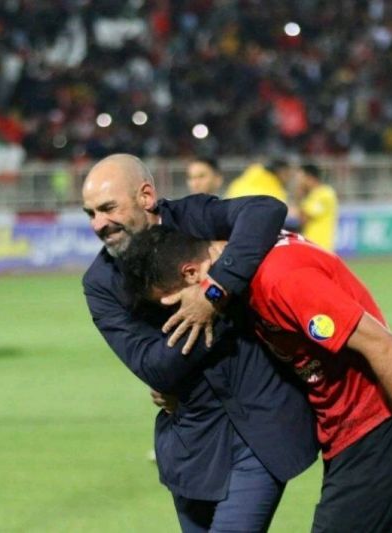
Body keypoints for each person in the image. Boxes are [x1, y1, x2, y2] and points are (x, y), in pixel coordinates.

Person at [122, 227, 392, 532]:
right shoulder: (246, 265)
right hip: (348, 432)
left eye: (177, 304)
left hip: (374, 429)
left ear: (191, 273)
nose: (180, 314)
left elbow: (384, 345)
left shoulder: (281, 278)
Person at [81, 154, 318, 532]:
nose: (98, 224)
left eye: (108, 208)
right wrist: (217, 308)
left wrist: (214, 290)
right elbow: (154, 366)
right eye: (90, 213)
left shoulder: (191, 217)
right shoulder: (100, 282)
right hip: (191, 446)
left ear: (146, 197)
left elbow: (266, 210)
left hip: (260, 429)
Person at [295, 164, 339, 252]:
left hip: (320, 245)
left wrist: (299, 196)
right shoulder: (313, 195)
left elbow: (304, 218)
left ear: (309, 177)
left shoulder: (325, 194)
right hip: (312, 245)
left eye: (301, 178)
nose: (299, 182)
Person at [224, 159, 292, 203]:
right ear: (281, 172)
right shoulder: (275, 191)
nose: (289, 178)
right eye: (287, 174)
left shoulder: (241, 181)